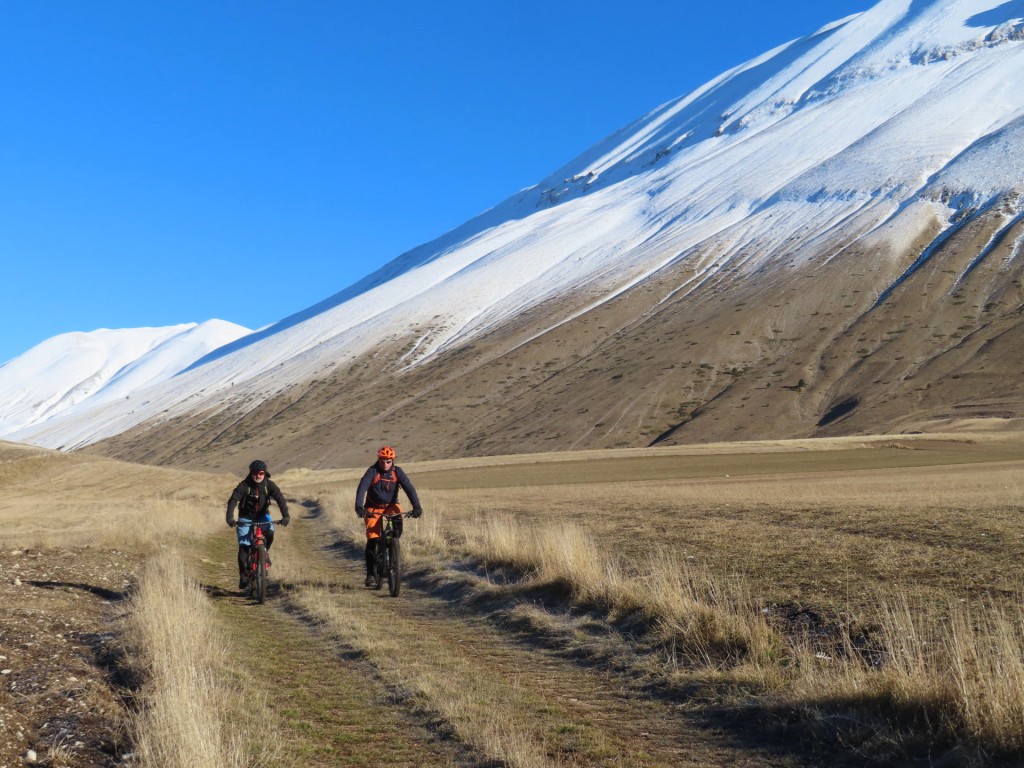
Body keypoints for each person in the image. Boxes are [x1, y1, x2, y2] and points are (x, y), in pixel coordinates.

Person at [354, 446, 423, 587]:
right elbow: (362, 488)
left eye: (388, 461)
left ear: (393, 460)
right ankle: (371, 574)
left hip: (391, 506)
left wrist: (417, 507)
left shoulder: (397, 472)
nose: (385, 464)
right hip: (372, 507)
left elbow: (409, 488)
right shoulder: (372, 471)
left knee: (397, 521)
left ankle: (392, 548)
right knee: (373, 539)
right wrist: (359, 507)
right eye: (382, 461)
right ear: (378, 459)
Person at [226, 459, 290, 589]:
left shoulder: (269, 485)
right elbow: (233, 500)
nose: (258, 476)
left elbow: (280, 499)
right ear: (251, 473)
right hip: (245, 517)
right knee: (244, 546)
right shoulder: (244, 486)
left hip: (262, 515)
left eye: (261, 473)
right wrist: (230, 518)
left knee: (270, 533)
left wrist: (286, 516)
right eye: (255, 473)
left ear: (264, 473)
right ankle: (243, 576)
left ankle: (263, 553)